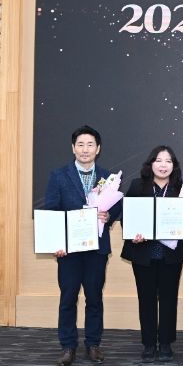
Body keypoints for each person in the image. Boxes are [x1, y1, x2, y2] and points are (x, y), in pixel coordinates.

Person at [44, 125, 120, 366]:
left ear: (98, 149)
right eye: (80, 144)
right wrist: (57, 243)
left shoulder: (108, 178)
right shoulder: (59, 175)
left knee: (94, 298)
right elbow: (52, 211)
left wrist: (108, 216)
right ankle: (68, 347)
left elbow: (117, 207)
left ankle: (93, 345)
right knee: (68, 298)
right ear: (73, 148)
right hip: (69, 250)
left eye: (90, 145)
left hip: (96, 249)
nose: (85, 149)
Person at [120, 146, 183, 363]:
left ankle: (166, 343)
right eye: (159, 160)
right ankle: (149, 343)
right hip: (144, 253)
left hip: (171, 254)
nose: (163, 165)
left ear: (173, 165)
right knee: (146, 299)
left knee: (169, 299)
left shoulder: (182, 189)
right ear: (151, 163)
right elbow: (126, 217)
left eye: (168, 161)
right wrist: (133, 234)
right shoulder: (137, 185)